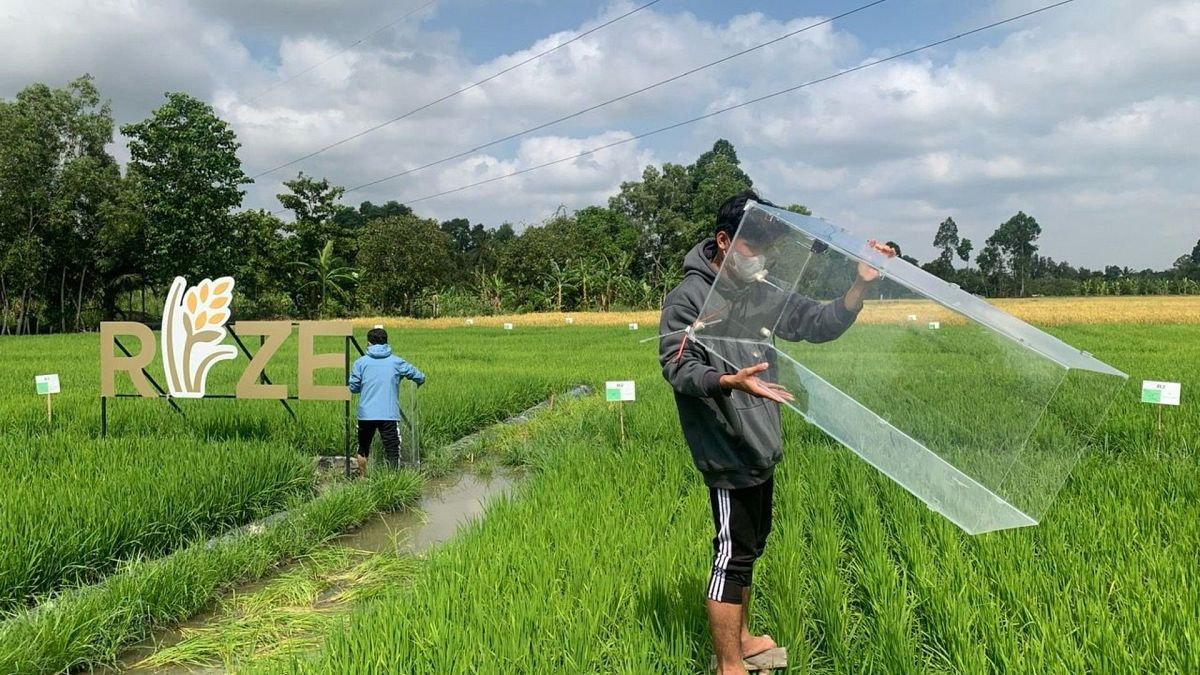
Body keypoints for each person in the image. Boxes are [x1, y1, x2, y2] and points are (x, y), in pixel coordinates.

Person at [658, 189, 894, 674]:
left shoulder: (761, 291)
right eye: (754, 247)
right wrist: (727, 380)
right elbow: (678, 367)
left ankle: (742, 639)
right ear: (725, 242)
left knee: (750, 548)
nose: (762, 258)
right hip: (725, 446)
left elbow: (817, 322)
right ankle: (729, 665)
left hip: (762, 440)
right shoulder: (690, 298)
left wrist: (859, 284)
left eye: (769, 249)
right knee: (730, 557)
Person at [348, 327, 426, 474]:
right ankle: (392, 479)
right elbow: (419, 376)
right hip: (388, 414)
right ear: (386, 342)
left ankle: (363, 478)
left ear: (369, 343)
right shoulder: (396, 362)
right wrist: (418, 381)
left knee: (363, 448)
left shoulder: (360, 363)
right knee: (392, 449)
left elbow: (353, 387)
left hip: (366, 414)